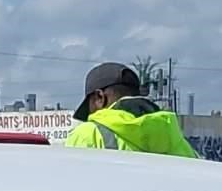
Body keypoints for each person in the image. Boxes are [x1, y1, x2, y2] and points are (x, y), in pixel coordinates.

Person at [63, 63, 198, 155]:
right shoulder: (175, 138)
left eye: (89, 109)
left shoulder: (87, 135)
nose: (89, 117)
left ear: (99, 97)